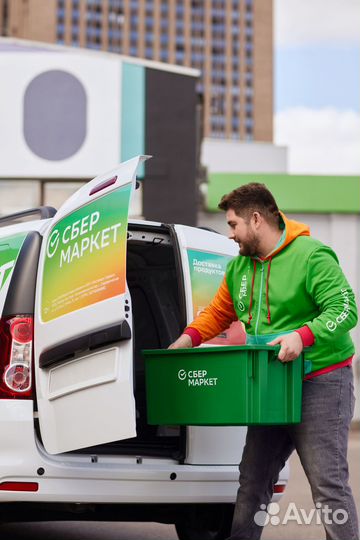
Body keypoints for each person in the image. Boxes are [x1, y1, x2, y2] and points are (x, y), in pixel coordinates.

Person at [169, 183, 359, 540]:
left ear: (255, 220)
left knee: (328, 486)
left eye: (233, 225)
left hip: (320, 383)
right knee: (252, 481)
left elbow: (346, 309)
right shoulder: (240, 268)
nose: (231, 234)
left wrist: (301, 337)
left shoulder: (311, 255)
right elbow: (219, 312)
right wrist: (187, 340)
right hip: (270, 385)